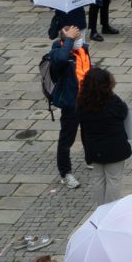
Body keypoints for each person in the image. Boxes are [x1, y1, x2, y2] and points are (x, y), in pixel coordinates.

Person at [76, 68, 131, 205]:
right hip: (114, 148)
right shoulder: (112, 101)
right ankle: (110, 211)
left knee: (98, 178)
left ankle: (101, 209)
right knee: (114, 179)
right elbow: (124, 112)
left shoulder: (82, 102)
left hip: (93, 146)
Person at [47, 23, 91, 189]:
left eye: (78, 35)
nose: (79, 38)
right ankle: (66, 173)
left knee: (88, 131)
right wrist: (69, 41)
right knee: (67, 138)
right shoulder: (58, 51)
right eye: (74, 36)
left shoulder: (83, 49)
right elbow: (60, 60)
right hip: (71, 103)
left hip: (86, 99)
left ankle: (91, 158)